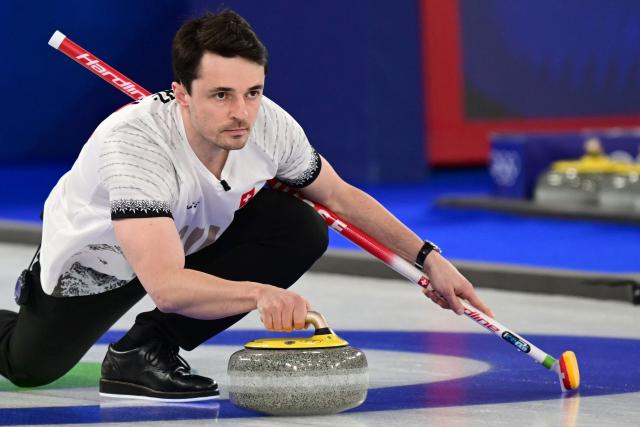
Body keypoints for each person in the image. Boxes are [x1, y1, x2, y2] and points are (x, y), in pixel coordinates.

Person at [0, 10, 493, 402]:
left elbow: (340, 197)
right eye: (220, 95)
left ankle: (144, 350)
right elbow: (167, 285)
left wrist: (429, 257)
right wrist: (261, 295)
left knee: (298, 226)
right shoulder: (134, 145)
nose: (241, 113)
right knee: (31, 367)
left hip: (194, 231)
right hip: (104, 259)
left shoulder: (268, 124)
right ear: (182, 95)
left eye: (252, 92)